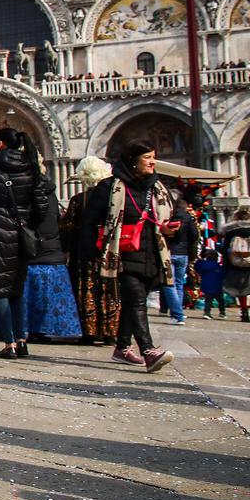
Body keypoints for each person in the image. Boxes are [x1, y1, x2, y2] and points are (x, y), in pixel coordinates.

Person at [82, 141, 174, 372]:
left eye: (154, 157)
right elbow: (88, 222)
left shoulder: (158, 188)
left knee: (134, 302)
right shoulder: (109, 187)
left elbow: (167, 218)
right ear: (132, 160)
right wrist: (94, 252)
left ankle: (122, 348)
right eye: (147, 157)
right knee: (136, 300)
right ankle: (149, 351)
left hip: (152, 254)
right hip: (121, 255)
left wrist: (171, 230)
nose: (153, 161)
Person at [0, 128, 50, 360]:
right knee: (17, 289)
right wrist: (27, 226)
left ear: (1, 144)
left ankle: (9, 343)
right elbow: (41, 206)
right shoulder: (31, 168)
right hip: (20, 235)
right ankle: (22, 340)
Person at [60, 156, 117, 345]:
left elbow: (67, 227)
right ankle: (110, 333)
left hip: (84, 253)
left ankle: (89, 332)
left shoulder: (79, 199)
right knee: (109, 291)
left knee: (87, 290)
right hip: (109, 252)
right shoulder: (114, 199)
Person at [21, 174, 81, 341]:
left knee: (30, 292)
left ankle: (29, 328)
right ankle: (48, 328)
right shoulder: (52, 196)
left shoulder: (26, 195)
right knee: (49, 293)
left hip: (32, 249)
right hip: (53, 250)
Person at [160, 192, 198, 325]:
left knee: (169, 284)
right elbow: (194, 235)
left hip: (169, 252)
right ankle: (177, 312)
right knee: (179, 284)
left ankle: (177, 315)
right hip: (183, 254)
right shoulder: (188, 218)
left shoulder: (168, 216)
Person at [195, 248, 227, 318]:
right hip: (217, 286)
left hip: (206, 285)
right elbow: (224, 275)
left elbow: (197, 267)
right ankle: (222, 312)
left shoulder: (203, 264)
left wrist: (200, 258)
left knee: (208, 300)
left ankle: (207, 313)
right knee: (221, 300)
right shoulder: (218, 266)